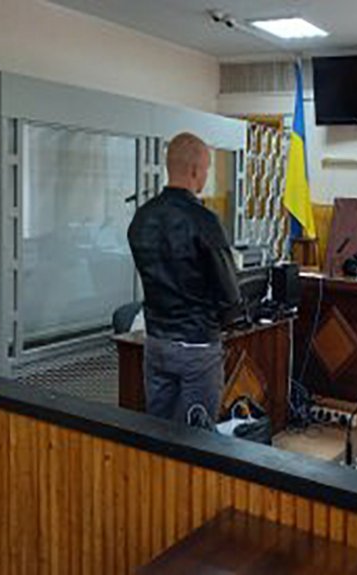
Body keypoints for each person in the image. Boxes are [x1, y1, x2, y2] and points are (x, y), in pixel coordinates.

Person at [128, 132, 241, 426]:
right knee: (196, 437)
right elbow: (230, 294)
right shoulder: (204, 220)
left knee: (158, 430)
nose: (205, 176)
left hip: (156, 341)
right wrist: (222, 322)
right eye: (206, 169)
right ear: (194, 170)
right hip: (197, 346)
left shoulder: (142, 217)